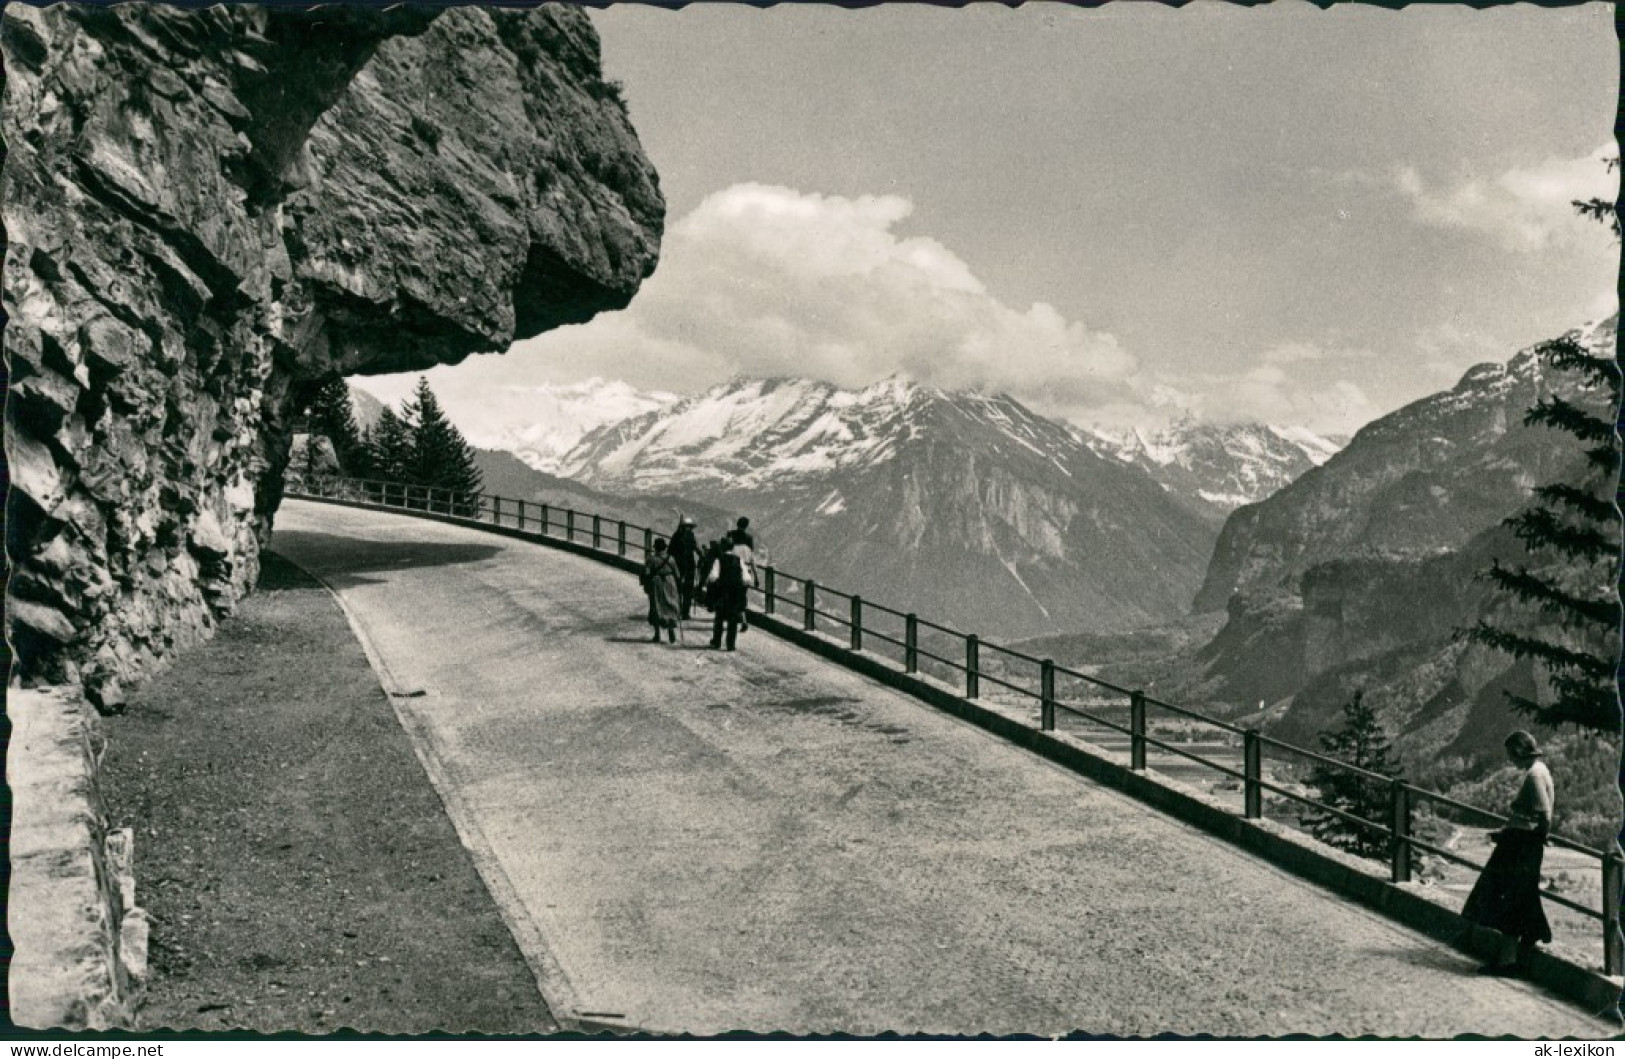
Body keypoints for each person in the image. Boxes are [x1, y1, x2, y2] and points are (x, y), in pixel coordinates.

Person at [1461, 730, 1555, 976]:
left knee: (1506, 897)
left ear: (1519, 752)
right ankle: (1526, 939)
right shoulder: (1540, 770)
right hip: (1522, 842)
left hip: (1521, 846)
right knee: (1519, 896)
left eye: (1511, 756)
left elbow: (1544, 814)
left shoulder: (1534, 776)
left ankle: (1507, 962)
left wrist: (1538, 835)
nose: (1511, 761)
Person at [704, 534, 755, 651]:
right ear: (732, 548)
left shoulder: (719, 560)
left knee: (719, 618)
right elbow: (747, 579)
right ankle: (730, 645)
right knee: (733, 620)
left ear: (722, 548)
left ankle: (717, 642)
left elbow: (713, 577)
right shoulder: (739, 560)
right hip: (735, 594)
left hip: (722, 593)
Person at [640, 537, 682, 644]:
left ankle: (657, 634)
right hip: (670, 582)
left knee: (656, 606)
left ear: (656, 548)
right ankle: (671, 630)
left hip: (657, 583)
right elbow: (677, 574)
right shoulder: (671, 558)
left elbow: (647, 573)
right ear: (664, 548)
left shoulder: (652, 559)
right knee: (671, 605)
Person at [669, 516, 702, 620]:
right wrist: (702, 556)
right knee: (688, 589)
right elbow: (697, 548)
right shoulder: (691, 536)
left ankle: (677, 610)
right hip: (689, 565)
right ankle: (685, 613)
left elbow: (670, 551)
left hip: (678, 565)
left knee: (678, 588)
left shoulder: (676, 536)